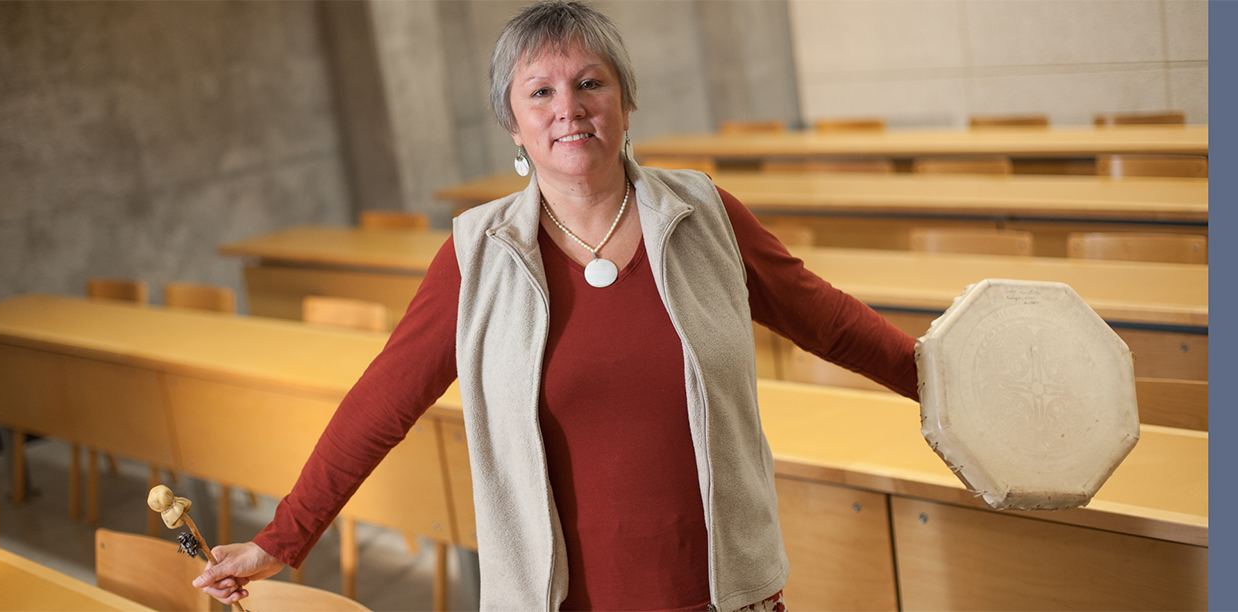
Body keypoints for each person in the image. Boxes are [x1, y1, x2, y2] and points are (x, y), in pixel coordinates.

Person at [192, 2, 918, 611]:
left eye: (589, 83)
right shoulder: (478, 254)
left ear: (625, 102)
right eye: (539, 92)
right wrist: (280, 539)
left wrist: (944, 383)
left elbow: (828, 321)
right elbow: (381, 403)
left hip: (727, 595)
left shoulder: (704, 213)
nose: (568, 108)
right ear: (512, 122)